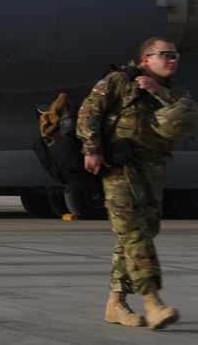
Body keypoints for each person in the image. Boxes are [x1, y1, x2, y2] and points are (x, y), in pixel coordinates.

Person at [77, 37, 192, 330]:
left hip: (152, 170)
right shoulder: (119, 81)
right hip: (119, 169)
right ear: (144, 60)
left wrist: (159, 93)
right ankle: (153, 302)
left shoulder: (175, 91)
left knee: (141, 233)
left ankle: (116, 303)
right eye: (164, 55)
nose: (172, 60)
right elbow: (89, 111)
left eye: (175, 55)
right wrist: (92, 148)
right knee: (134, 231)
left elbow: (186, 123)